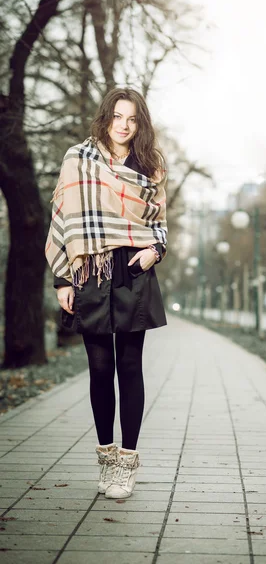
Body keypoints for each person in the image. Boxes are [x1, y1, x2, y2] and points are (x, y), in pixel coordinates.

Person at [45, 87, 168, 499]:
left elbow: (160, 223)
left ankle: (127, 465)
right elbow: (61, 216)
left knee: (130, 368)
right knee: (100, 369)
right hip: (90, 271)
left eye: (132, 119)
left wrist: (155, 250)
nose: (124, 125)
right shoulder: (78, 158)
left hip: (133, 269)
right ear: (106, 116)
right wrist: (62, 279)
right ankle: (106, 459)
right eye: (118, 116)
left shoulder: (150, 164)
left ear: (140, 124)